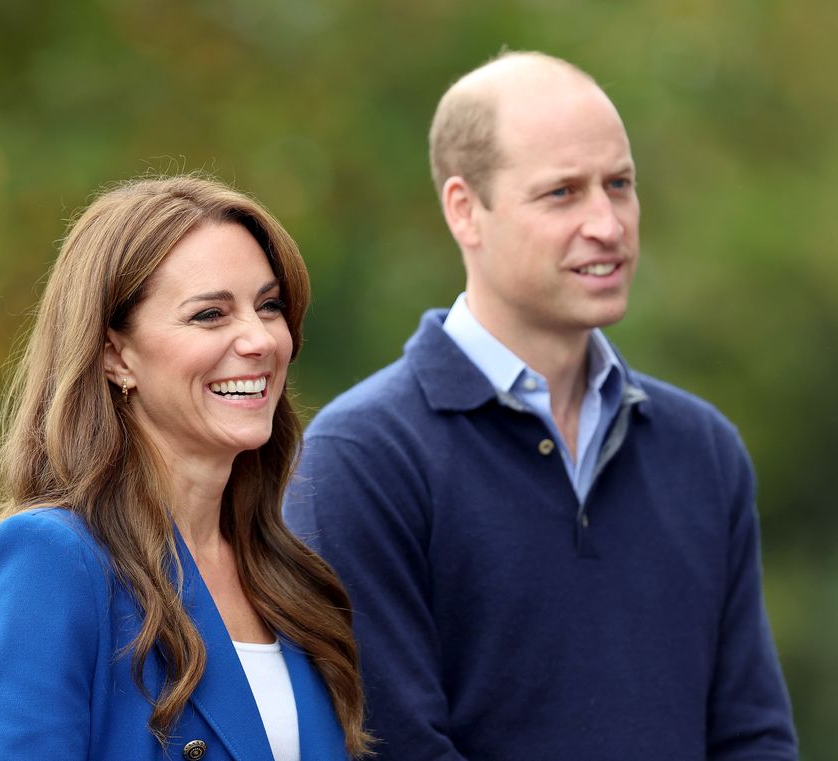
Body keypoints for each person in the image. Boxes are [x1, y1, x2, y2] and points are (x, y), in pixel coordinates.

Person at [283, 51, 797, 760]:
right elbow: (389, 745)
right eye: (563, 193)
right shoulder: (362, 458)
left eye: (619, 184)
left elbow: (752, 735)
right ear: (466, 210)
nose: (608, 224)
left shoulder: (702, 450)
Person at [0, 175, 371, 760]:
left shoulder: (290, 577)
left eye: (269, 305)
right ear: (114, 354)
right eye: (209, 314)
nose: (259, 339)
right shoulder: (52, 560)